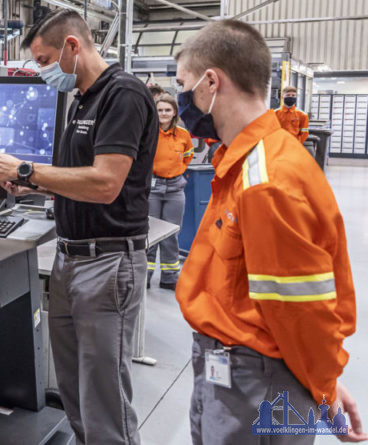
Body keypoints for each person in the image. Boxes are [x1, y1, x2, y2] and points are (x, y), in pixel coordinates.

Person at [173, 19, 367, 444]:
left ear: (211, 82)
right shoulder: (251, 159)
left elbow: (301, 311)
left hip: (253, 382)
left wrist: (323, 389)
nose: (180, 98)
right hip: (249, 371)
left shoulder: (266, 180)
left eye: (182, 84)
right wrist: (320, 382)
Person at [0, 9, 157, 445]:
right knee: (74, 391)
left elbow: (105, 184)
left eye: (44, 60)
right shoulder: (84, 97)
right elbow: (78, 180)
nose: (44, 70)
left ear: (71, 46)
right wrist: (36, 188)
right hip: (70, 258)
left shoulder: (123, 95)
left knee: (103, 397)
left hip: (107, 262)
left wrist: (28, 169)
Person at [147, 93, 194, 290]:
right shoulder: (147, 132)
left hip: (175, 188)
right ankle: (146, 276)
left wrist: (177, 171)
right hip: (152, 188)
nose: (164, 114)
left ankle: (169, 277)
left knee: (171, 234)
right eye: (160, 110)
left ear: (174, 112)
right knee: (149, 233)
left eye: (167, 110)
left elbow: (188, 156)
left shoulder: (183, 135)